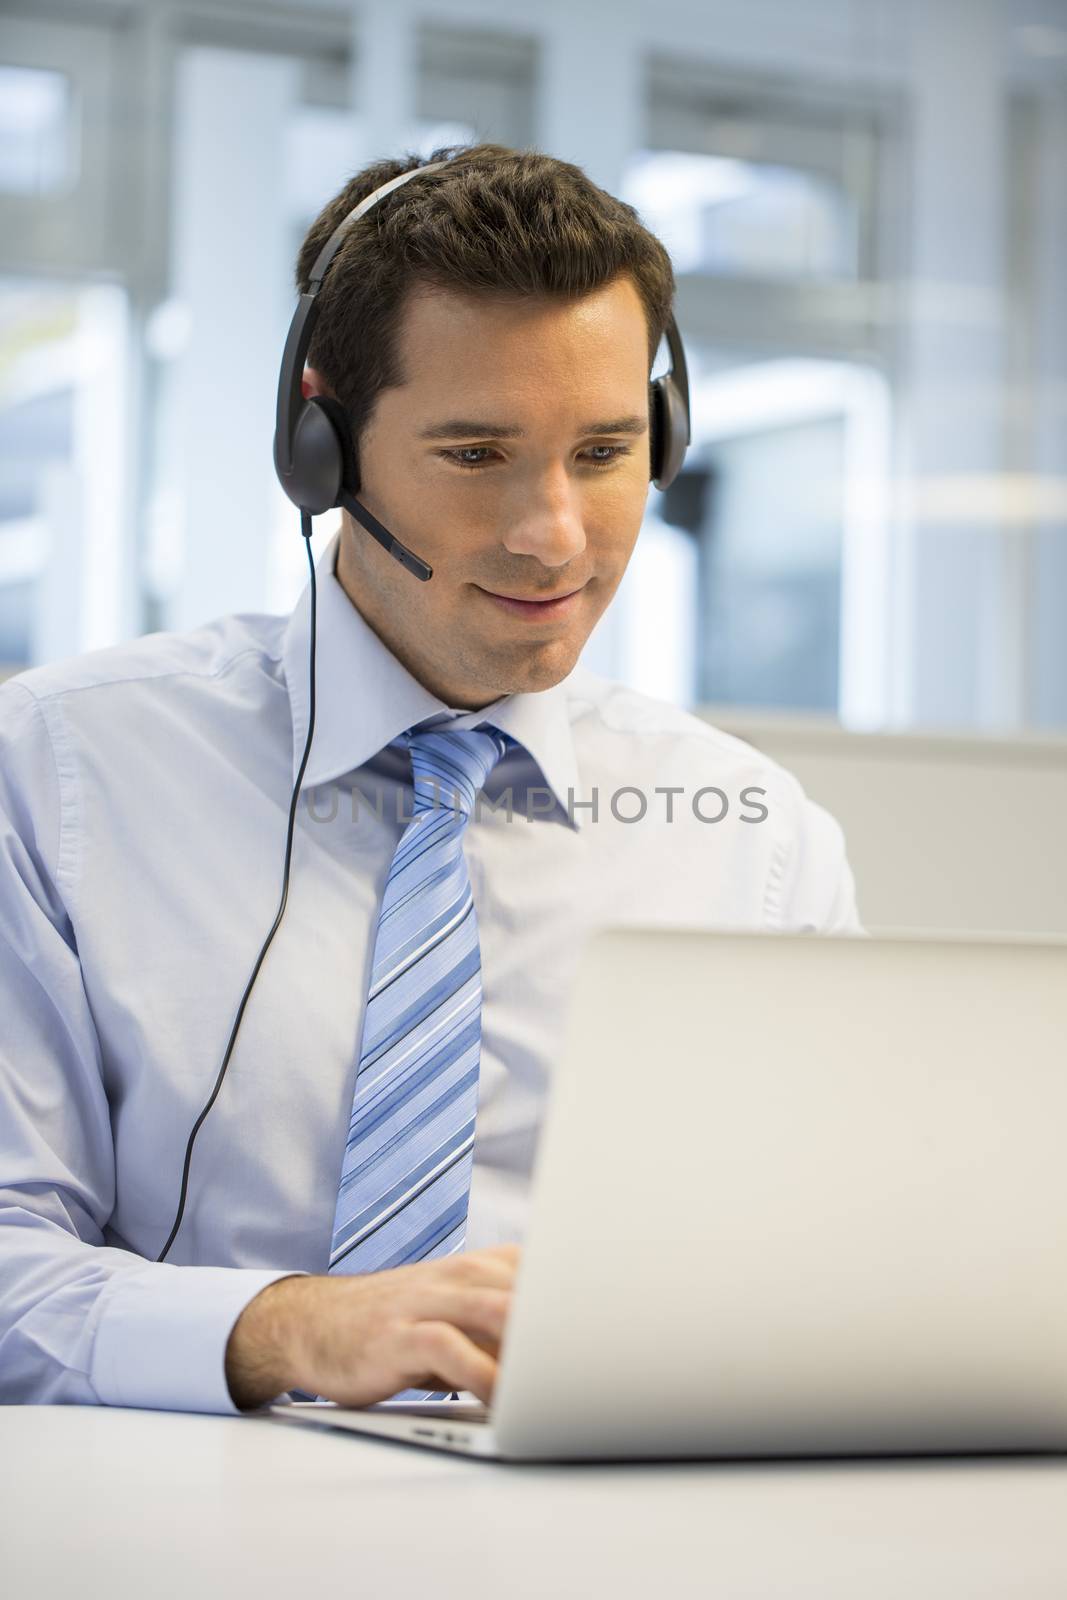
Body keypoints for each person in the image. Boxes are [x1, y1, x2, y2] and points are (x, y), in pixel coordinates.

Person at [0, 143, 862, 1415]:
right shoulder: (65, 770)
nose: (552, 533)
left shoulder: (757, 842)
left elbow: (840, 1273)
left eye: (606, 452)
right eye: (476, 455)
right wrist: (281, 1330)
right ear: (321, 440)